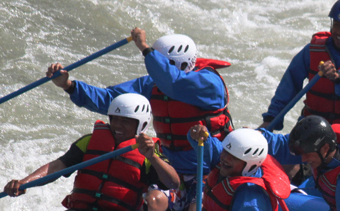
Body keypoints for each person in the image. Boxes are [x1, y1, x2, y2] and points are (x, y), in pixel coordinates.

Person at [46, 27, 233, 209]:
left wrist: (144, 48)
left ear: (181, 64)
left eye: (160, 64)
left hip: (208, 169)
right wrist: (69, 85)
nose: (155, 70)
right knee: (151, 200)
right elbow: (111, 100)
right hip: (171, 170)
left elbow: (175, 84)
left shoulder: (210, 84)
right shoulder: (153, 84)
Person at [3, 93, 181, 211]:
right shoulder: (90, 141)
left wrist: (152, 157)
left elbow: (173, 183)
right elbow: (58, 166)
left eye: (126, 121)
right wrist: (24, 183)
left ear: (141, 124)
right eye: (115, 119)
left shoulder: (149, 151)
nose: (118, 126)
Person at [258, 0, 340, 142]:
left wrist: (339, 78)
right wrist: (271, 119)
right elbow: (288, 86)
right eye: (337, 25)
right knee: (294, 160)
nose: (339, 32)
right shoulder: (312, 50)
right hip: (313, 126)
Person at [257, 116, 340, 211]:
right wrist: (257, 137)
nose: (303, 158)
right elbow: (283, 145)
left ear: (325, 149)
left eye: (306, 153)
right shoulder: (324, 148)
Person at [188, 126, 291, 211]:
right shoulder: (227, 160)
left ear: (250, 164)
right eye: (226, 151)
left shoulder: (250, 200)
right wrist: (199, 135)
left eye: (234, 157)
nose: (225, 158)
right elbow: (211, 147)